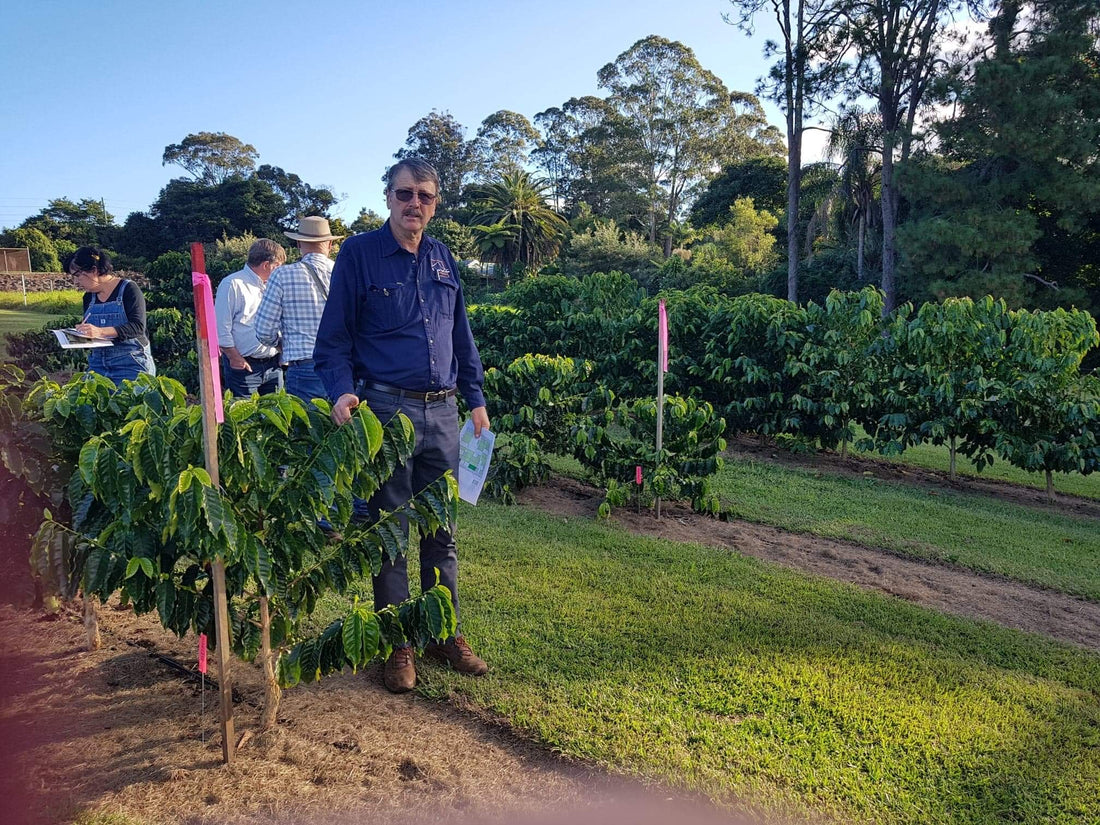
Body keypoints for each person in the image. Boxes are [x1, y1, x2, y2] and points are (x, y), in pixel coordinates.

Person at [314, 157, 489, 693]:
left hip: (443, 412)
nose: (415, 204)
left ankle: (441, 629)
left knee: (443, 530)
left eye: (426, 197)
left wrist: (475, 398)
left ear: (435, 204)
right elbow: (333, 340)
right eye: (406, 194)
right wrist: (342, 391)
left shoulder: (441, 257)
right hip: (386, 412)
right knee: (389, 529)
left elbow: (460, 334)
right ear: (388, 197)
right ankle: (397, 643)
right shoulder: (360, 255)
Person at [254, 217, 342, 404]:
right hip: (343, 367)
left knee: (308, 430)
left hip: (304, 367)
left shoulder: (282, 275)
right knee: (342, 430)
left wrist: (281, 344)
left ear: (299, 243)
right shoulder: (344, 272)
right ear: (330, 244)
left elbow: (263, 330)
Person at [66, 246, 156, 384]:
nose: (76, 282)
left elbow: (137, 327)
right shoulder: (88, 297)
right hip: (98, 367)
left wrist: (101, 332)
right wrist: (82, 334)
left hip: (132, 366)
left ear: (93, 271)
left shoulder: (129, 289)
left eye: (77, 275)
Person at [215, 239, 286, 397]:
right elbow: (221, 328)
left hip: (273, 364)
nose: (280, 271)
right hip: (244, 366)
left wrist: (283, 354)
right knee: (245, 419)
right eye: (277, 267)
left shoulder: (274, 285)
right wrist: (235, 358)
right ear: (266, 265)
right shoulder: (232, 284)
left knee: (277, 416)